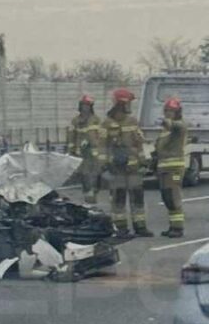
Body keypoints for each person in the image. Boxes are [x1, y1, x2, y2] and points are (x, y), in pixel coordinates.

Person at [103, 88, 153, 239]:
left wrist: (144, 162)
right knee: (118, 199)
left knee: (137, 198)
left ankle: (140, 227)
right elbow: (102, 146)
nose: (130, 106)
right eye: (128, 103)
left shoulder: (132, 121)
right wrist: (105, 165)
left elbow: (139, 143)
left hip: (134, 168)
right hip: (116, 169)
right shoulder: (106, 124)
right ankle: (121, 228)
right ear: (121, 104)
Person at [154, 97, 188, 238]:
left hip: (174, 168)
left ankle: (178, 228)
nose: (168, 113)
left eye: (171, 111)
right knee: (167, 198)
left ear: (177, 112)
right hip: (163, 168)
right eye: (166, 111)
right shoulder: (164, 130)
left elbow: (176, 126)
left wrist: (166, 122)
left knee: (173, 198)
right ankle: (172, 226)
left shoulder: (179, 126)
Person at [66, 94, 105, 204]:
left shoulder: (96, 119)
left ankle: (94, 192)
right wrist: (71, 151)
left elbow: (101, 135)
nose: (86, 108)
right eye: (84, 105)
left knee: (97, 173)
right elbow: (71, 137)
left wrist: (102, 150)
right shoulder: (75, 121)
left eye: (88, 105)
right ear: (80, 106)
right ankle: (88, 195)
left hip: (95, 153)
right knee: (85, 174)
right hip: (82, 152)